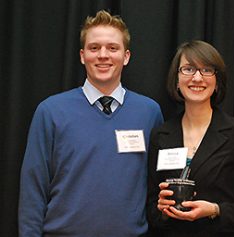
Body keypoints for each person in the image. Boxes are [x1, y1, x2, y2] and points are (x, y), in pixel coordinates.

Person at [18, 10, 163, 237]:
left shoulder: (149, 112)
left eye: (112, 48)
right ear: (82, 55)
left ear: (126, 56)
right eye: (94, 48)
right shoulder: (51, 111)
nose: (103, 55)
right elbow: (33, 188)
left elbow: (157, 187)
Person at [146, 40, 234, 237]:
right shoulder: (161, 135)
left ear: (217, 82)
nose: (197, 78)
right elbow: (150, 211)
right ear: (176, 80)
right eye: (188, 69)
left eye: (207, 70)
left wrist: (216, 210)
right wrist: (162, 211)